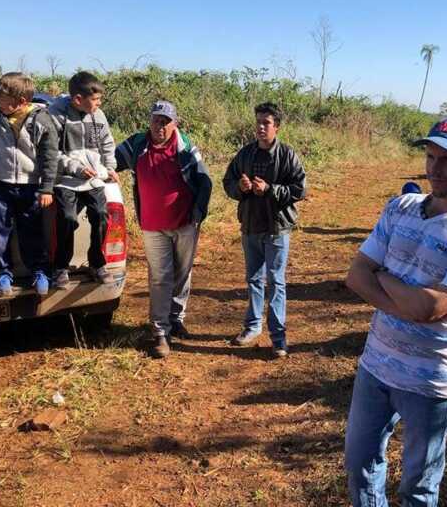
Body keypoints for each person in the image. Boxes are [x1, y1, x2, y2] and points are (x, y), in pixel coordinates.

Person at [344, 117, 447, 507]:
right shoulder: (401, 206)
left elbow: (432, 306)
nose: (436, 168)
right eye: (431, 156)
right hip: (376, 365)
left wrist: (384, 277)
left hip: (431, 380)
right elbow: (356, 276)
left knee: (418, 486)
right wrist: (409, 305)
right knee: (359, 466)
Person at [115, 101, 212, 359]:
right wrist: (105, 171)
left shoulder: (185, 147)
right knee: (160, 277)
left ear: (174, 124)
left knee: (182, 273)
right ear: (150, 121)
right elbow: (111, 159)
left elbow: (205, 180)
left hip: (185, 223)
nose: (160, 126)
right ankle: (160, 332)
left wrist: (199, 212)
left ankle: (176, 319)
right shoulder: (137, 145)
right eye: (156, 120)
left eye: (165, 121)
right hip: (152, 225)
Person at [222, 102, 306, 359]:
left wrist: (270, 190)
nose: (260, 127)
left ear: (276, 127)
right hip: (250, 226)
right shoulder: (245, 154)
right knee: (254, 280)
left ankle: (278, 338)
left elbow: (299, 190)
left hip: (277, 228)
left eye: (266, 123)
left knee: (276, 282)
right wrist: (241, 187)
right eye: (258, 122)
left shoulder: (288, 155)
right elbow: (228, 182)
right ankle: (252, 327)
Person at [0, 72, 58, 297]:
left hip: (30, 185)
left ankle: (39, 271)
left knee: (32, 230)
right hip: (2, 184)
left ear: (20, 102)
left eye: (1, 98)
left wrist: (47, 188)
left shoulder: (41, 121)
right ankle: (1, 273)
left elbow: (50, 157)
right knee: (0, 230)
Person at [49, 71, 117, 288]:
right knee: (68, 218)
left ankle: (97, 263)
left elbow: (107, 143)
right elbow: (50, 153)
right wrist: (75, 168)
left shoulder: (99, 116)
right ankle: (61, 267)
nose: (99, 103)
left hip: (93, 179)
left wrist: (110, 168)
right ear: (78, 99)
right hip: (66, 179)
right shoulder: (56, 115)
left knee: (101, 214)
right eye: (95, 99)